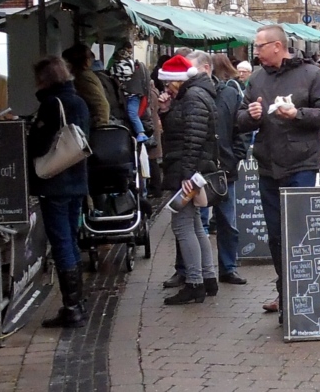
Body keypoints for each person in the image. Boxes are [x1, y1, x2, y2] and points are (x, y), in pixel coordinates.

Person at [236, 25, 320, 323]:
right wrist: (250, 116)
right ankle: (285, 290)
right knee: (276, 234)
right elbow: (239, 119)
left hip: (301, 164)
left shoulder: (311, 74)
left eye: (259, 46)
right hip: (268, 166)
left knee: (300, 232)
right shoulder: (256, 78)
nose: (255, 52)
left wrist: (298, 114)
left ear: (277, 46)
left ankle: (304, 292)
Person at [29, 56, 90, 328]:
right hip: (77, 180)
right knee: (71, 239)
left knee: (62, 240)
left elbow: (40, 147)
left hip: (55, 182)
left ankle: (72, 307)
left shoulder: (52, 105)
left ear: (45, 78)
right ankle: (78, 301)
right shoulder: (78, 101)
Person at [158, 54, 220, 305]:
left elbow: (192, 137)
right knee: (195, 224)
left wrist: (186, 176)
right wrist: (166, 110)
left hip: (187, 169)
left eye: (167, 84)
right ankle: (208, 277)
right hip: (193, 168)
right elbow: (185, 130)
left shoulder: (192, 97)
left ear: (177, 80)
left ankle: (194, 283)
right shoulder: (197, 94)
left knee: (183, 226)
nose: (165, 89)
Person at [210, 52, 249, 285]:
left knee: (227, 220)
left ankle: (228, 267)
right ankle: (192, 270)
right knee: (199, 222)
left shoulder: (230, 93)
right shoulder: (193, 94)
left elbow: (241, 127)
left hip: (225, 165)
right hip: (202, 167)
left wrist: (237, 156)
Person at [107, 42, 151, 142]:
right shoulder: (133, 64)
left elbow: (115, 75)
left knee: (132, 113)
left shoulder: (118, 66)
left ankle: (141, 133)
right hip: (135, 93)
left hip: (130, 94)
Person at [61, 44, 110, 128]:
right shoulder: (84, 75)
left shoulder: (83, 77)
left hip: (92, 127)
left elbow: (101, 104)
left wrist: (101, 128)